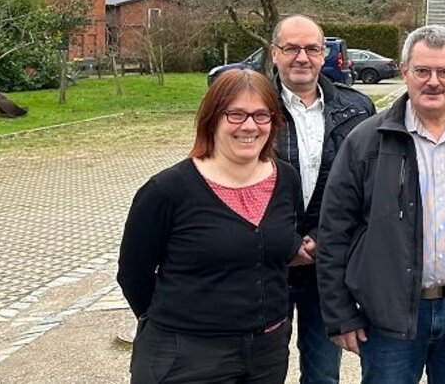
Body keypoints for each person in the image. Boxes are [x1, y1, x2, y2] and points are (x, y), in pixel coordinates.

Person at [316, 25, 445, 384]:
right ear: (404, 71)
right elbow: (334, 232)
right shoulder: (365, 142)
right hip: (389, 315)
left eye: (444, 71)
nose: (433, 82)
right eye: (422, 71)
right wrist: (340, 313)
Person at [118, 69, 308, 384]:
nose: (249, 126)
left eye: (262, 115)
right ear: (212, 119)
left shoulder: (286, 179)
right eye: (235, 114)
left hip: (267, 353)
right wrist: (177, 322)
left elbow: (280, 242)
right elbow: (132, 273)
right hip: (188, 355)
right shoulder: (168, 190)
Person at [269, 15, 375, 384]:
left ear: (324, 53)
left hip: (325, 265)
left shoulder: (357, 110)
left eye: (312, 48)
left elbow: (365, 191)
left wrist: (320, 239)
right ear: (274, 53)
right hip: (265, 264)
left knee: (323, 374)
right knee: (261, 369)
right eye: (291, 48)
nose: (302, 57)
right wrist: (288, 242)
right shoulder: (252, 106)